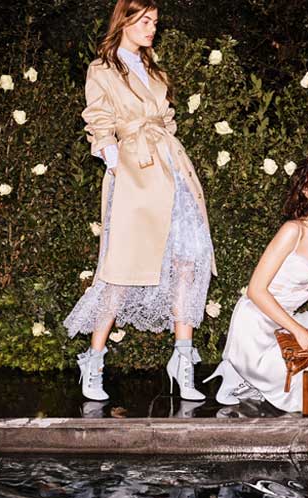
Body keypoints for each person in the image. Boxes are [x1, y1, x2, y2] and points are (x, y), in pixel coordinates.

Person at [63, 0, 216, 402]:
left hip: (171, 168)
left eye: (155, 22)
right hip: (134, 171)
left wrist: (169, 149)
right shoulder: (102, 69)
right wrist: (116, 162)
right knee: (120, 268)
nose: (152, 29)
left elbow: (166, 120)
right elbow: (99, 121)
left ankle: (182, 361)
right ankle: (93, 361)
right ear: (125, 21)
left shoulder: (154, 70)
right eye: (145, 21)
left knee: (188, 261)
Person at [205, 153, 308, 413]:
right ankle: (244, 372)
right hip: (256, 323)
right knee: (302, 380)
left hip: (286, 322)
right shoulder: (293, 230)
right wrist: (299, 332)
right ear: (306, 191)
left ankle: (252, 377)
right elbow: (256, 290)